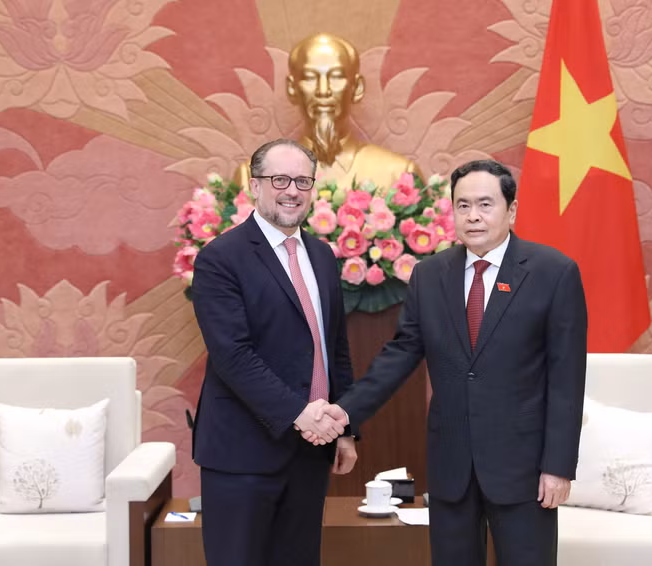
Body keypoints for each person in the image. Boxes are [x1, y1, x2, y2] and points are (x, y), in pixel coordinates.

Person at [313, 159, 588, 566]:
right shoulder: (430, 275)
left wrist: (558, 466)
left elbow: (567, 380)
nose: (473, 216)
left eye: (485, 204)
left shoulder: (554, 272)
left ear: (511, 210)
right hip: (451, 464)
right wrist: (345, 413)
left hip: (524, 468)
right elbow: (401, 352)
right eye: (462, 205)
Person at [191, 138, 357, 566]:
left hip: (310, 453)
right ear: (254, 186)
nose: (292, 190)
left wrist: (346, 428)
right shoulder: (220, 258)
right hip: (243, 454)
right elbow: (233, 356)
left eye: (303, 180)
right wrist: (301, 415)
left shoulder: (321, 255)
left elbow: (334, 348)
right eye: (280, 179)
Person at [236, 33, 420, 192]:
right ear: (292, 88)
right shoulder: (255, 178)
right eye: (309, 77)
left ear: (356, 88)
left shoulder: (399, 175)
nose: (323, 91)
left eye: (336, 77)